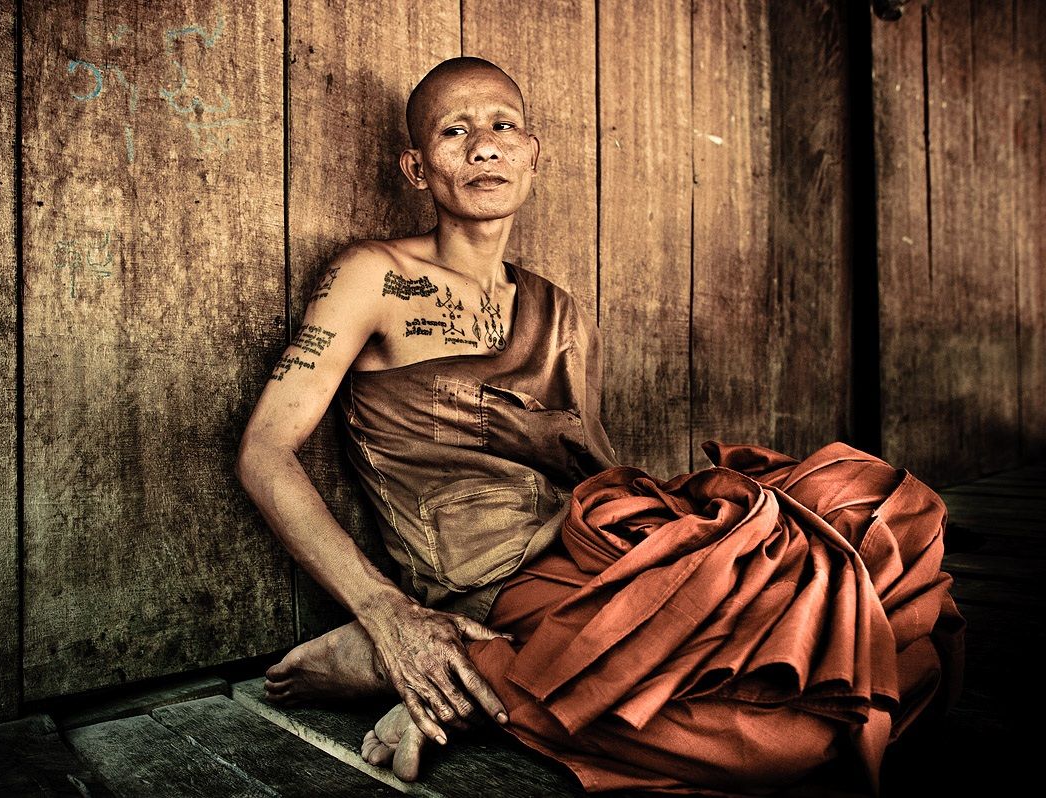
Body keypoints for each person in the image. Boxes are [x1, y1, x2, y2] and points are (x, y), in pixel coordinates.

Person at [237, 57, 963, 793]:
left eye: (502, 126)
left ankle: (485, 685)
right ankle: (459, 665)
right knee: (799, 735)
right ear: (417, 168)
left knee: (886, 575)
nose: (483, 147)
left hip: (597, 536)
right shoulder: (375, 276)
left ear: (531, 155)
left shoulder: (561, 311)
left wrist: (688, 543)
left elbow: (594, 468)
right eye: (454, 132)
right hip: (497, 574)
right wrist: (387, 611)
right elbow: (264, 452)